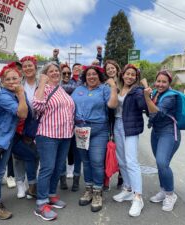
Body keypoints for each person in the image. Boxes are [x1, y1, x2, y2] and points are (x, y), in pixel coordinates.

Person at [71, 65, 118, 212]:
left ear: (99, 76)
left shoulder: (104, 89)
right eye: (89, 74)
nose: (91, 77)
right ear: (85, 76)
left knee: (97, 162)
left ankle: (98, 192)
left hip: (99, 130)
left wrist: (113, 87)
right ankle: (89, 189)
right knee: (86, 162)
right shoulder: (78, 90)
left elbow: (112, 104)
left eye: (94, 74)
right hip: (80, 130)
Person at [33, 62, 75, 221]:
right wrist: (42, 82)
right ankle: (41, 204)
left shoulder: (62, 89)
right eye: (51, 71)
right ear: (45, 74)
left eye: (57, 70)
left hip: (65, 135)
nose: (56, 73)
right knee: (47, 168)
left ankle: (51, 194)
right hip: (48, 135)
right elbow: (36, 106)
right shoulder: (43, 89)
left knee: (58, 167)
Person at [0, 62, 28, 220]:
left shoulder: (13, 94)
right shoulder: (5, 96)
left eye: (15, 79)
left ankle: (30, 186)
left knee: (31, 155)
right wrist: (22, 94)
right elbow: (22, 113)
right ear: (3, 82)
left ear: (20, 79)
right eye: (8, 79)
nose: (12, 82)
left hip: (10, 138)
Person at [112, 64, 147, 217]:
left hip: (130, 126)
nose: (130, 77)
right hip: (117, 124)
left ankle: (138, 197)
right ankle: (127, 188)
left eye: (133, 75)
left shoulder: (137, 91)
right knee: (121, 160)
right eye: (128, 74)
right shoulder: (119, 89)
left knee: (131, 161)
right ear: (123, 75)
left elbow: (142, 106)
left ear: (136, 77)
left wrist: (146, 91)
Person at [143, 70, 180, 212]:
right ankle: (163, 190)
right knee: (161, 165)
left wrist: (146, 98)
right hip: (156, 132)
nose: (160, 84)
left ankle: (170, 194)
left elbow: (157, 113)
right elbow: (148, 112)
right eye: (158, 81)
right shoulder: (157, 94)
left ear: (169, 83)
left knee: (162, 162)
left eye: (164, 82)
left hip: (169, 132)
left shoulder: (171, 97)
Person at [12, 56, 39, 200]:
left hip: (38, 125)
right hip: (20, 124)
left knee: (34, 155)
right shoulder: (17, 84)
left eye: (30, 65)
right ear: (22, 70)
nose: (28, 68)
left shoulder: (42, 85)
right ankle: (20, 184)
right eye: (25, 66)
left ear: (35, 68)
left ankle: (32, 184)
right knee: (18, 157)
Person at [59, 63, 82, 192]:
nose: (67, 75)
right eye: (64, 73)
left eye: (69, 73)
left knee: (78, 153)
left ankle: (76, 180)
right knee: (62, 154)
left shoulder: (78, 84)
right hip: (62, 125)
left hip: (77, 123)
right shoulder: (56, 85)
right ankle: (62, 179)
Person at [103, 59, 123, 191]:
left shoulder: (123, 82)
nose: (110, 70)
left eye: (112, 68)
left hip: (122, 119)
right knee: (108, 149)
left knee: (122, 151)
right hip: (110, 119)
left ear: (117, 68)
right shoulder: (105, 84)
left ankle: (122, 178)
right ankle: (106, 180)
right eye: (108, 69)